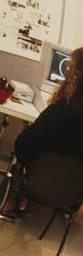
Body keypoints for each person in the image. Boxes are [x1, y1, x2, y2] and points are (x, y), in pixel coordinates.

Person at [14, 47, 83, 212]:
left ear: (74, 77)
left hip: (36, 184)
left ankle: (21, 199)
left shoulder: (57, 113)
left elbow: (22, 150)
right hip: (71, 195)